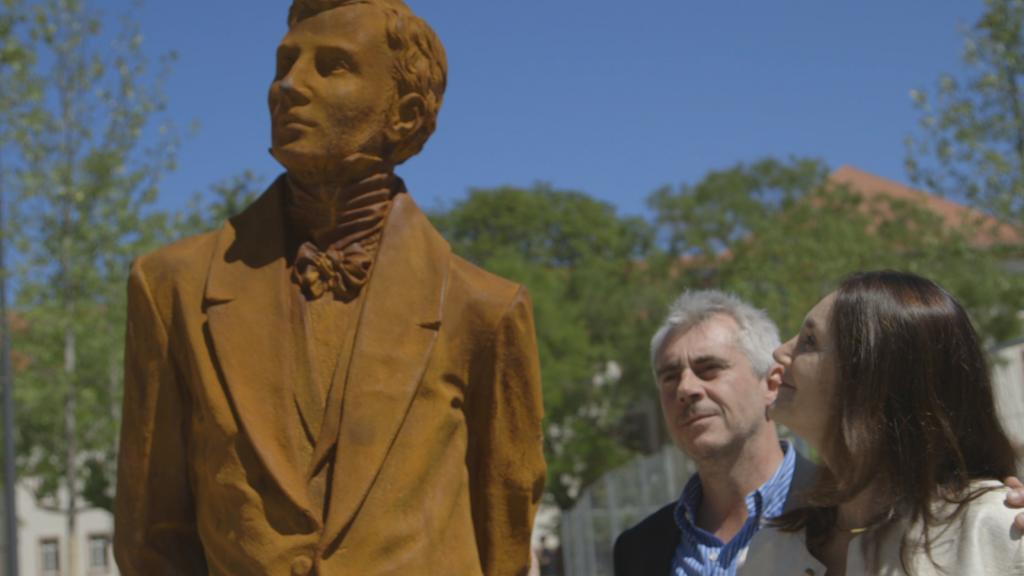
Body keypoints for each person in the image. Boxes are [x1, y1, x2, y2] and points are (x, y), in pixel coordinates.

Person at [113, 1, 545, 575]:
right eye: (284, 64)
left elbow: (504, 536)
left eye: (332, 66)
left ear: (406, 113)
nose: (289, 86)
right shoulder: (172, 289)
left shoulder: (484, 310)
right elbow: (151, 536)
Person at [742, 270, 1024, 575]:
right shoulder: (769, 553)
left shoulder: (995, 532)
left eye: (809, 341)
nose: (779, 351)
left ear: (877, 380)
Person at [613, 290, 818, 576]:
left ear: (772, 385)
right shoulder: (637, 549)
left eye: (709, 369)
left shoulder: (842, 514)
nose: (685, 388)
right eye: (670, 377)